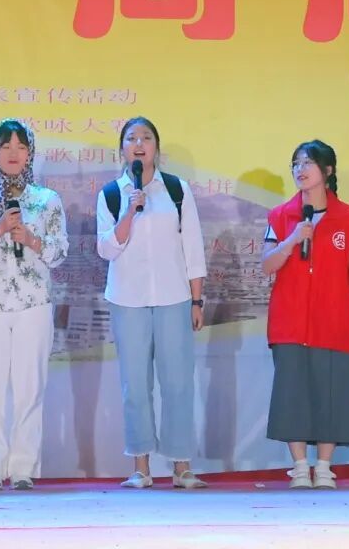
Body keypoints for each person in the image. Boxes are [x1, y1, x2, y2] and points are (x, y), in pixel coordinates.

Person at [96, 116, 208, 489]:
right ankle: (141, 467)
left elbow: (192, 248)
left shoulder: (176, 190)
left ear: (156, 147)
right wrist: (130, 210)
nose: (139, 144)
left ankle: (181, 466)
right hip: (127, 299)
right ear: (122, 150)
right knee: (135, 385)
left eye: (146, 137)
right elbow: (107, 248)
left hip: (174, 297)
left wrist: (197, 300)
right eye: (132, 138)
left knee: (178, 382)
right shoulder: (111, 194)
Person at [0, 119, 68, 491]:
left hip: (34, 304)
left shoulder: (47, 200)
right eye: (6, 146)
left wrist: (33, 240)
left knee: (29, 388)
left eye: (21, 146)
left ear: (30, 153)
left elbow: (60, 253)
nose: (13, 153)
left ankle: (23, 468)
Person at [262, 139, 349, 489]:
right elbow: (267, 265)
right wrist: (293, 239)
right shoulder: (281, 216)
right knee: (292, 391)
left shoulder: (348, 218)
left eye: (307, 162)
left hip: (334, 317)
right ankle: (299, 467)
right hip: (289, 318)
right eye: (295, 163)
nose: (300, 169)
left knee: (331, 391)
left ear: (327, 170)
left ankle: (324, 467)